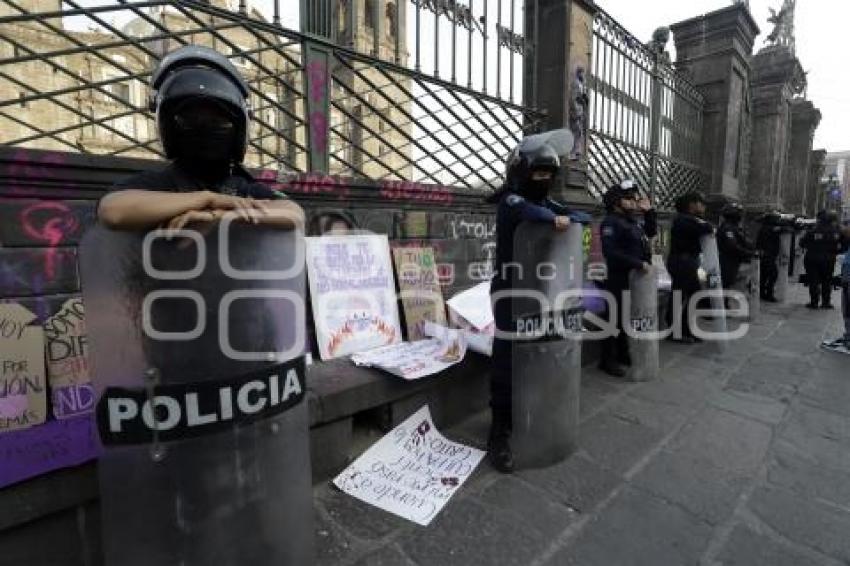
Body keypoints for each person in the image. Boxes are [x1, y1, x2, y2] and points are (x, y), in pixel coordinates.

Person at [98, 45, 304, 232]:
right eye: (191, 120)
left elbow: (294, 213)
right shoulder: (160, 183)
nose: (205, 129)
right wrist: (208, 199)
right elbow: (113, 210)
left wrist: (221, 216)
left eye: (217, 121)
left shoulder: (241, 188)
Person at [488, 137, 588, 474]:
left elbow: (577, 216)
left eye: (549, 173)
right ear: (521, 172)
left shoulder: (548, 203)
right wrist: (551, 217)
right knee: (507, 361)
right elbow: (525, 210)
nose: (544, 179)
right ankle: (499, 432)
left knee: (539, 353)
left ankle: (535, 415)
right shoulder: (510, 202)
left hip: (540, 294)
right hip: (509, 295)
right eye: (538, 172)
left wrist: (569, 217)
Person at [598, 179, 657, 377]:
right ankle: (607, 360)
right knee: (613, 320)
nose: (633, 202)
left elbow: (651, 232)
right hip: (619, 277)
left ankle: (623, 353)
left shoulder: (632, 221)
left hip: (634, 279)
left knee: (626, 318)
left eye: (634, 198)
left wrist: (649, 212)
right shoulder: (610, 222)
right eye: (628, 199)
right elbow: (610, 252)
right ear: (616, 202)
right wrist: (638, 264)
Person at [666, 191, 714, 343]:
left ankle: (686, 328)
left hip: (689, 262)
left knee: (693, 296)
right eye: (700, 202)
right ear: (692, 204)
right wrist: (706, 225)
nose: (703, 206)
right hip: (682, 262)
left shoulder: (692, 219)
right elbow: (706, 228)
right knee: (679, 296)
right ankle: (674, 330)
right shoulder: (683, 220)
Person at [800, 210, 843, 309]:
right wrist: (836, 252)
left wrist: (811, 246)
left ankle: (814, 302)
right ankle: (826, 302)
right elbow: (843, 244)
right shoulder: (836, 231)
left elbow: (802, 243)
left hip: (812, 258)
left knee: (813, 280)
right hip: (829, 259)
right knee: (827, 281)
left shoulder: (812, 230)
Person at [717, 202, 755, 297]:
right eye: (739, 213)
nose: (741, 216)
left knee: (729, 284)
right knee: (724, 284)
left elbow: (744, 242)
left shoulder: (735, 228)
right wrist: (749, 253)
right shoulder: (728, 228)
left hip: (733, 261)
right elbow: (732, 247)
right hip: (726, 261)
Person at [756, 213, 783, 302]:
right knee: (773, 274)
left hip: (765, 255)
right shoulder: (770, 228)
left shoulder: (764, 228)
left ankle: (762, 292)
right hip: (768, 255)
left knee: (764, 275)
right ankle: (769, 294)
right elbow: (784, 229)